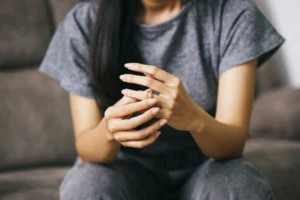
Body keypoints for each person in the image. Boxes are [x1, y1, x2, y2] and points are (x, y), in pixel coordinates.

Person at [38, 0, 285, 199]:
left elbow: (233, 144)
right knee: (86, 188)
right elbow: (87, 147)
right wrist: (108, 131)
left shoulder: (233, 14)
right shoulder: (84, 23)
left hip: (207, 163)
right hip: (125, 167)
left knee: (238, 184)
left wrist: (193, 118)